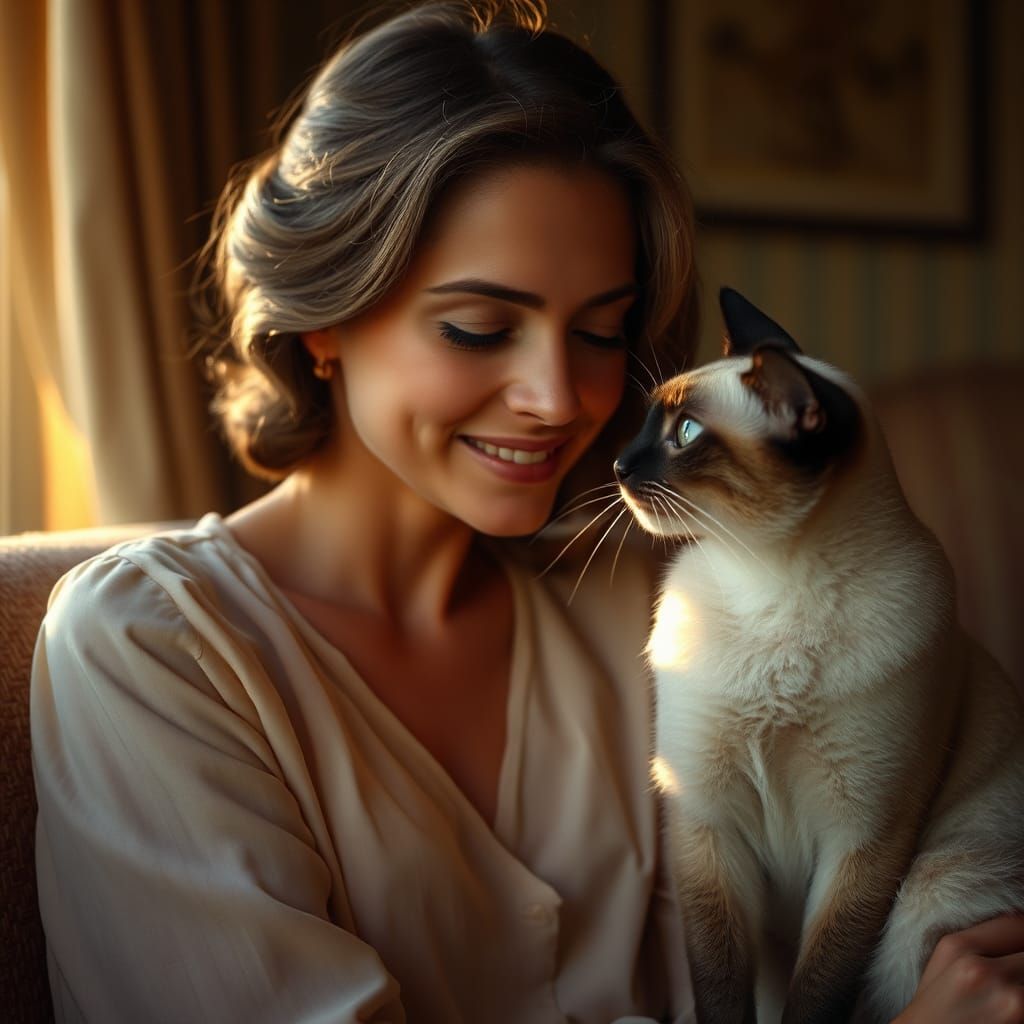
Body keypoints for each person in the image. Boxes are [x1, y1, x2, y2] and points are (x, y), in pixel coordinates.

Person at [30, 2, 1024, 1022]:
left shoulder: (658, 596)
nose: (560, 398)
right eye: (476, 328)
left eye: (599, 334)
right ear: (323, 320)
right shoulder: (147, 650)